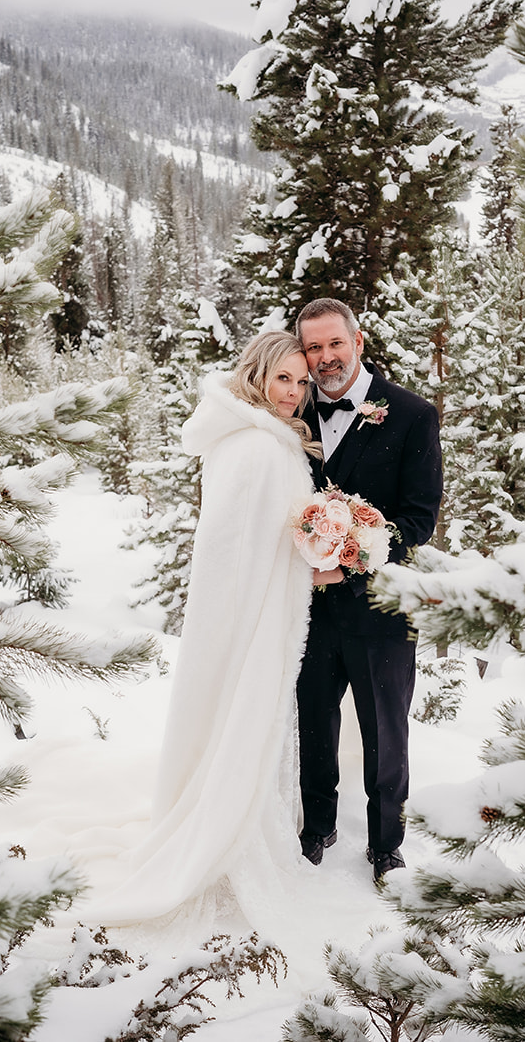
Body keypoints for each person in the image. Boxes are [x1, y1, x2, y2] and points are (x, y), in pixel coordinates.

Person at [88, 330, 325, 930]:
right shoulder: (255, 446)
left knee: (253, 723)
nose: (294, 393)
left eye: (301, 382)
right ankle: (224, 837)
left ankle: (251, 819)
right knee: (240, 720)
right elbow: (228, 548)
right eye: (283, 379)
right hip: (250, 617)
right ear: (258, 376)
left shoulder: (265, 439)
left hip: (268, 611)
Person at [295, 298, 442, 882]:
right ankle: (316, 826)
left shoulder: (409, 413)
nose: (325, 357)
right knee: (313, 722)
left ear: (358, 342)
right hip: (306, 609)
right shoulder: (293, 411)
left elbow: (419, 517)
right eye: (313, 347)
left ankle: (386, 842)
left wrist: (350, 556)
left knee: (385, 729)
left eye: (335, 343)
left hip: (380, 607)